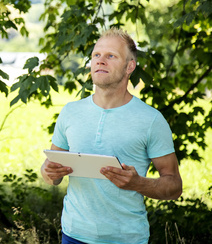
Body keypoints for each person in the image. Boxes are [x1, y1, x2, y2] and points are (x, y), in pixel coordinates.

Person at [41, 28, 182, 244]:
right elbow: (52, 173)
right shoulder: (71, 112)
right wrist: (49, 171)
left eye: (111, 56)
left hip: (126, 238)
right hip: (73, 235)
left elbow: (174, 186)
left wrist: (138, 183)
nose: (100, 61)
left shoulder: (151, 120)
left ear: (130, 67)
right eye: (96, 55)